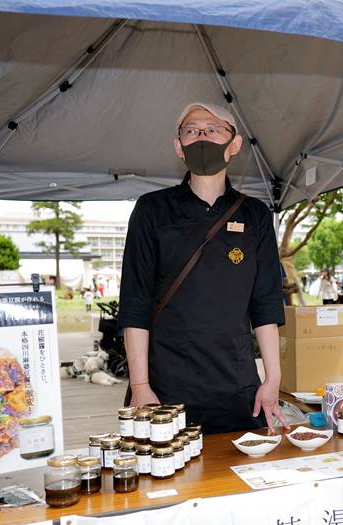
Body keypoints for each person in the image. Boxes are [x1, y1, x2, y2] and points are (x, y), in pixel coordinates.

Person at [118, 102, 287, 434]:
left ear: (234, 144)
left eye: (213, 129)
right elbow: (135, 303)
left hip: (236, 383)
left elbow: (266, 305)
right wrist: (140, 386)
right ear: (179, 146)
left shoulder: (255, 215)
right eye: (191, 131)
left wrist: (273, 380)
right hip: (166, 387)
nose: (202, 137)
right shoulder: (152, 209)